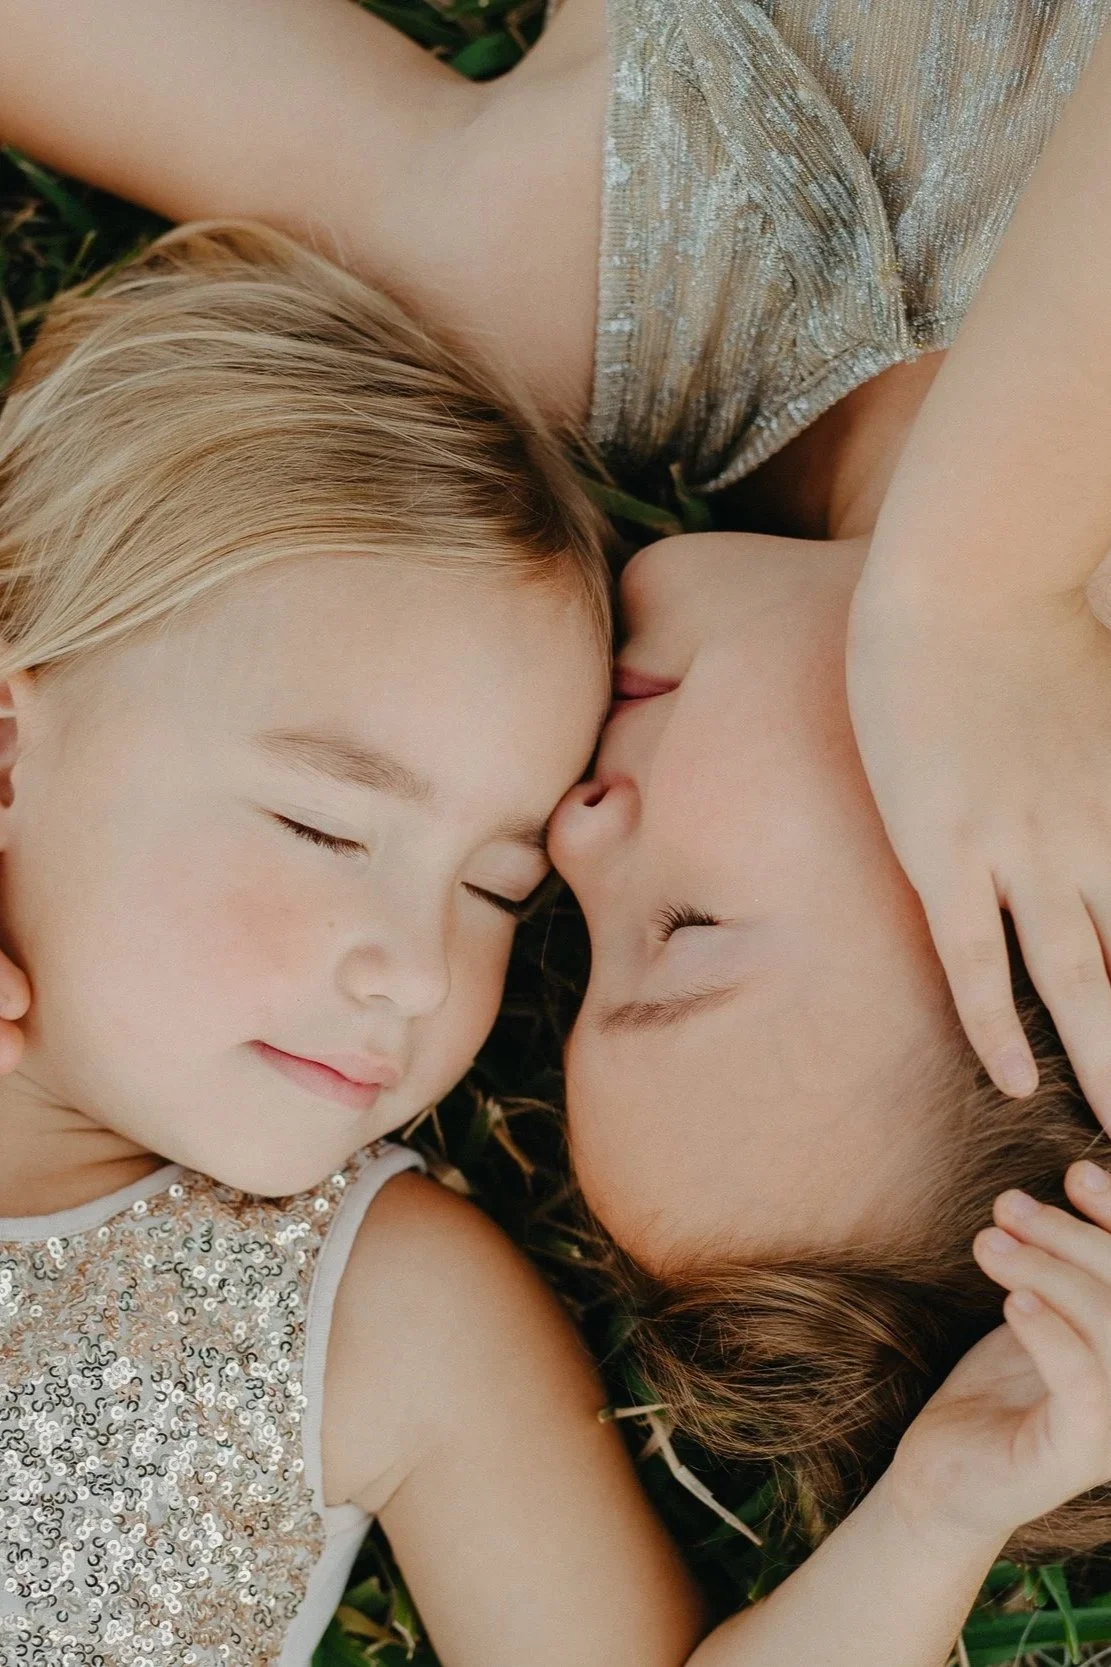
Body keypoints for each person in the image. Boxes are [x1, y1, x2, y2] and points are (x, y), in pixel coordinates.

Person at [11, 220, 1111, 1667]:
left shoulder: (387, 1314)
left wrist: (931, 1519)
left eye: (501, 895)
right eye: (326, 828)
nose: (413, 970)